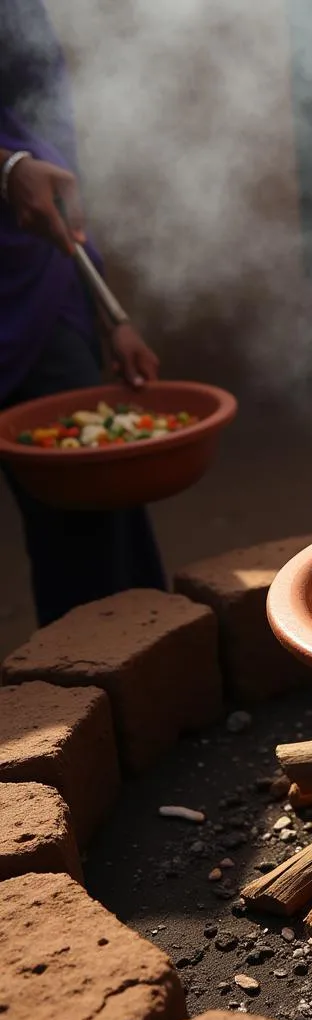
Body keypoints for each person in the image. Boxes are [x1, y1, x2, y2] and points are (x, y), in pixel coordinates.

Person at [1, 0, 166, 625]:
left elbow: (47, 151)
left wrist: (107, 311)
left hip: (40, 287)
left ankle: (127, 687)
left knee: (98, 510)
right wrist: (5, 168)